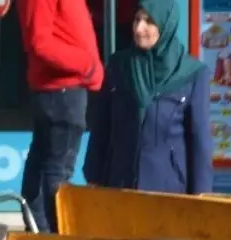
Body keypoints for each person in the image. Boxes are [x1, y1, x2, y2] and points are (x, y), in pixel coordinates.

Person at [83, 0, 212, 194]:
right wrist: (93, 177)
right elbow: (102, 127)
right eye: (137, 20)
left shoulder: (192, 75)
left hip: (168, 191)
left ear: (166, 24)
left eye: (149, 21)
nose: (139, 28)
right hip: (120, 186)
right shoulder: (119, 66)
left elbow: (199, 140)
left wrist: (202, 195)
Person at [17, 0, 104, 233]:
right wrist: (86, 65)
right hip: (61, 87)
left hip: (60, 87)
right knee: (57, 172)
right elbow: (40, 42)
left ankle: (41, 234)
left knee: (45, 166)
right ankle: (55, 238)